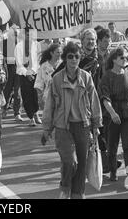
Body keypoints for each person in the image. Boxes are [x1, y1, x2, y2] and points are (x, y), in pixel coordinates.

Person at [42, 41, 102, 199]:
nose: (74, 59)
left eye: (77, 56)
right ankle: (65, 186)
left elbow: (94, 101)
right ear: (65, 59)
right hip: (63, 127)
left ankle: (78, 194)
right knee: (70, 162)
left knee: (82, 164)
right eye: (70, 57)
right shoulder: (56, 79)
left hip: (83, 125)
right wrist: (46, 129)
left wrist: (96, 125)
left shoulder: (86, 77)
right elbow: (50, 105)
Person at [99, 48, 128, 182]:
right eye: (122, 57)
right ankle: (113, 171)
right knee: (112, 146)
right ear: (114, 59)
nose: (125, 59)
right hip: (112, 114)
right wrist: (112, 113)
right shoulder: (107, 76)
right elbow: (105, 98)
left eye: (126, 57)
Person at [15, 29, 40, 126]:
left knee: (35, 95)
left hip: (35, 73)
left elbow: (38, 60)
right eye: (26, 34)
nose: (28, 36)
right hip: (24, 74)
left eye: (30, 34)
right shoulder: (19, 46)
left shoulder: (36, 45)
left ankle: (36, 113)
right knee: (27, 96)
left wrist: (33, 71)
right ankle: (31, 117)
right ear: (23, 35)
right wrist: (27, 73)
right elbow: (19, 63)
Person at [34, 43, 61, 114]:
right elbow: (39, 83)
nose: (60, 54)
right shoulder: (44, 66)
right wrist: (40, 99)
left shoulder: (63, 64)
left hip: (63, 97)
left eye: (61, 52)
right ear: (51, 53)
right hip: (48, 97)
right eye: (58, 52)